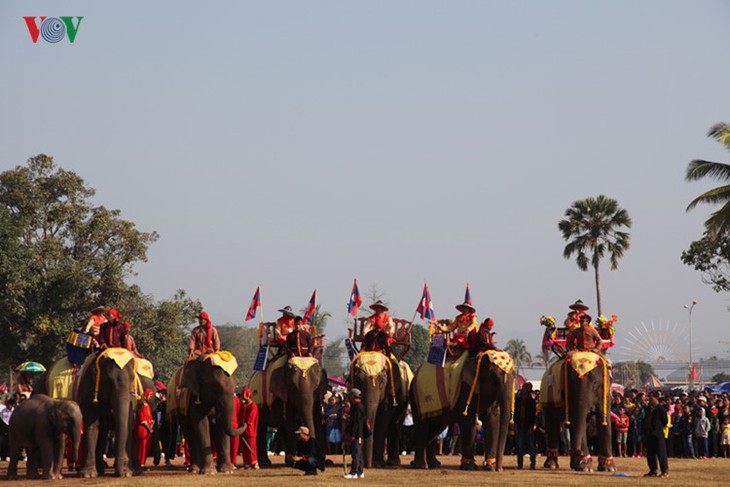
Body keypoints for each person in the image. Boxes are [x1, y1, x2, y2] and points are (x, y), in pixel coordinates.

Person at [344, 388, 369, 479]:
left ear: (353, 396)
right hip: (359, 434)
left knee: (356, 453)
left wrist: (353, 435)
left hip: (357, 434)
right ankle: (360, 471)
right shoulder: (357, 406)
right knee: (359, 453)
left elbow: (356, 423)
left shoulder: (358, 407)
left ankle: (353, 472)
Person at [644, 391, 669, 478]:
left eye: (651, 398)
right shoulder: (648, 409)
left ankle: (664, 471)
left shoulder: (660, 409)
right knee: (650, 453)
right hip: (649, 433)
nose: (649, 399)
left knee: (661, 452)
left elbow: (665, 421)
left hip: (658, 433)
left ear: (656, 398)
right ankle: (653, 470)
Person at [514, 382, 537, 469]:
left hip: (528, 426)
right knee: (519, 445)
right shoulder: (518, 400)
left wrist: (532, 426)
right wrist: (515, 424)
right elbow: (516, 413)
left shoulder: (531, 401)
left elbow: (533, 415)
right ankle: (520, 464)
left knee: (531, 446)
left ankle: (533, 464)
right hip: (520, 425)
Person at [238, 387, 259, 469]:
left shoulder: (253, 406)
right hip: (243, 430)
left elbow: (251, 419)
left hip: (250, 430)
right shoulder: (243, 406)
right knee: (244, 448)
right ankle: (247, 462)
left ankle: (254, 462)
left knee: (251, 446)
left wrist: (246, 423)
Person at [135, 388, 155, 468]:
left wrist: (152, 425)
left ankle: (142, 463)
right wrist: (149, 428)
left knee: (147, 447)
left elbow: (150, 418)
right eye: (149, 395)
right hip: (143, 430)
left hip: (148, 430)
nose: (150, 397)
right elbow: (143, 420)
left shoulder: (148, 406)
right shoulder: (142, 406)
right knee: (142, 447)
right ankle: (140, 464)